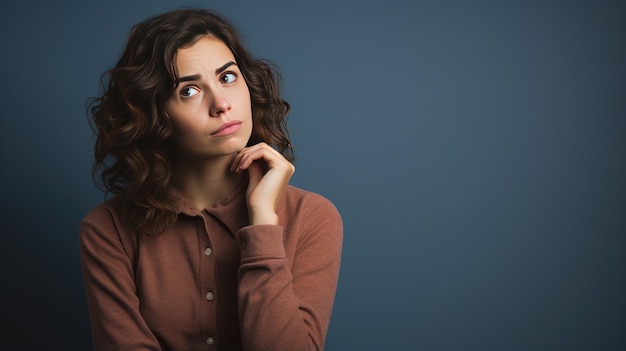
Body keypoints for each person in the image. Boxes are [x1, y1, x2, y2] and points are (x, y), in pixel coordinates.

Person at [79, 8, 343, 351]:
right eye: (189, 90)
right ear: (154, 115)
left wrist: (263, 222)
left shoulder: (313, 217)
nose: (221, 103)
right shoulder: (108, 230)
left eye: (228, 77)